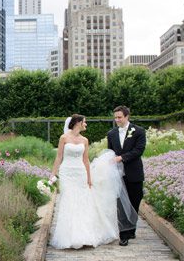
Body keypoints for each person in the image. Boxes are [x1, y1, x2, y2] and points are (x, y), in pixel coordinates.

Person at [49, 114, 119, 249]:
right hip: (67, 173)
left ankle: (83, 235)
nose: (86, 124)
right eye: (84, 122)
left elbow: (85, 160)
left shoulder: (85, 140)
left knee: (82, 202)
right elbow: (59, 157)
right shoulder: (64, 138)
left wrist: (89, 177)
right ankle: (68, 236)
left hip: (80, 173)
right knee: (68, 200)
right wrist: (53, 174)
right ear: (78, 123)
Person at [107, 105, 146, 246]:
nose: (117, 120)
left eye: (119, 117)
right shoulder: (111, 134)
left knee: (135, 201)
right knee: (121, 205)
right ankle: (123, 235)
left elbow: (139, 150)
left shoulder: (139, 131)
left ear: (127, 116)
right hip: (118, 174)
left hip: (134, 173)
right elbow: (110, 152)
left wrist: (121, 157)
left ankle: (131, 229)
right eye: (115, 117)